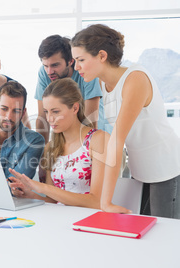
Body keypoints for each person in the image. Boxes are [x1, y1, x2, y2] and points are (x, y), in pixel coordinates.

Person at [71, 24, 180, 218]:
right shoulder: (103, 82)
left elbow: (117, 140)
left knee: (165, 233)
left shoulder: (135, 79)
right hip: (140, 170)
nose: (76, 66)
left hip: (166, 168)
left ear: (102, 56)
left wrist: (105, 202)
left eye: (80, 60)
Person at [8, 78, 109, 209]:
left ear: (75, 108)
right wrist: (28, 193)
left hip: (88, 220)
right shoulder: (52, 147)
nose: (49, 119)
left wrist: (42, 187)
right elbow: (52, 200)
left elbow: (96, 201)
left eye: (55, 111)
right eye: (46, 111)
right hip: (59, 219)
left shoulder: (98, 139)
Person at [34, 35, 112, 145]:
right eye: (45, 65)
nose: (49, 71)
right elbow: (42, 116)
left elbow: (90, 118)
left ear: (71, 61)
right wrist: (40, 152)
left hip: (98, 134)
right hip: (68, 136)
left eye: (55, 65)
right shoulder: (44, 72)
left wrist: (86, 151)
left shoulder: (86, 71)